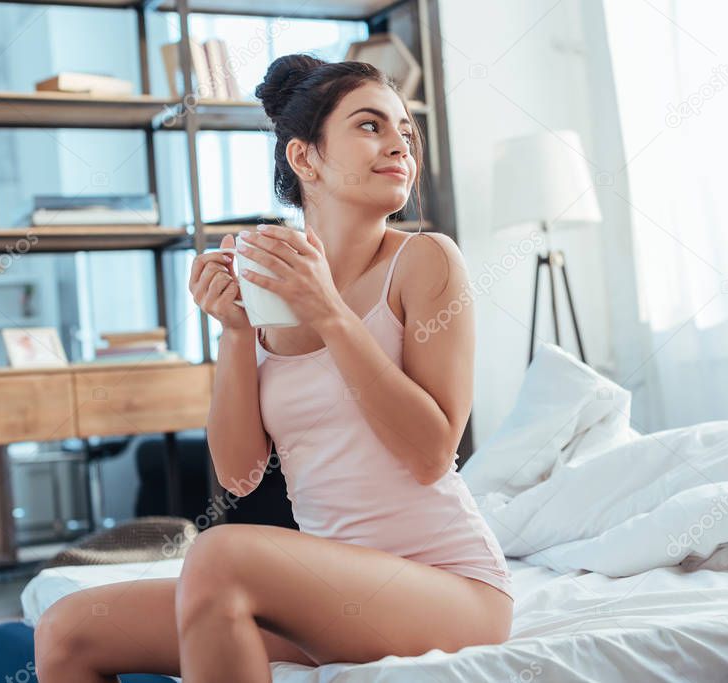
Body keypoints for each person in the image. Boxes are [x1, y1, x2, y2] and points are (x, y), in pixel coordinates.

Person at [34, 54, 513, 683]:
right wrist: (236, 333)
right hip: (326, 596)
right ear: (304, 158)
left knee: (222, 553)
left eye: (406, 131)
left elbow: (430, 454)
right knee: (69, 629)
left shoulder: (426, 262)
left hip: (448, 588)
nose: (399, 144)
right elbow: (240, 475)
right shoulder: (269, 288)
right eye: (371, 126)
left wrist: (331, 313)